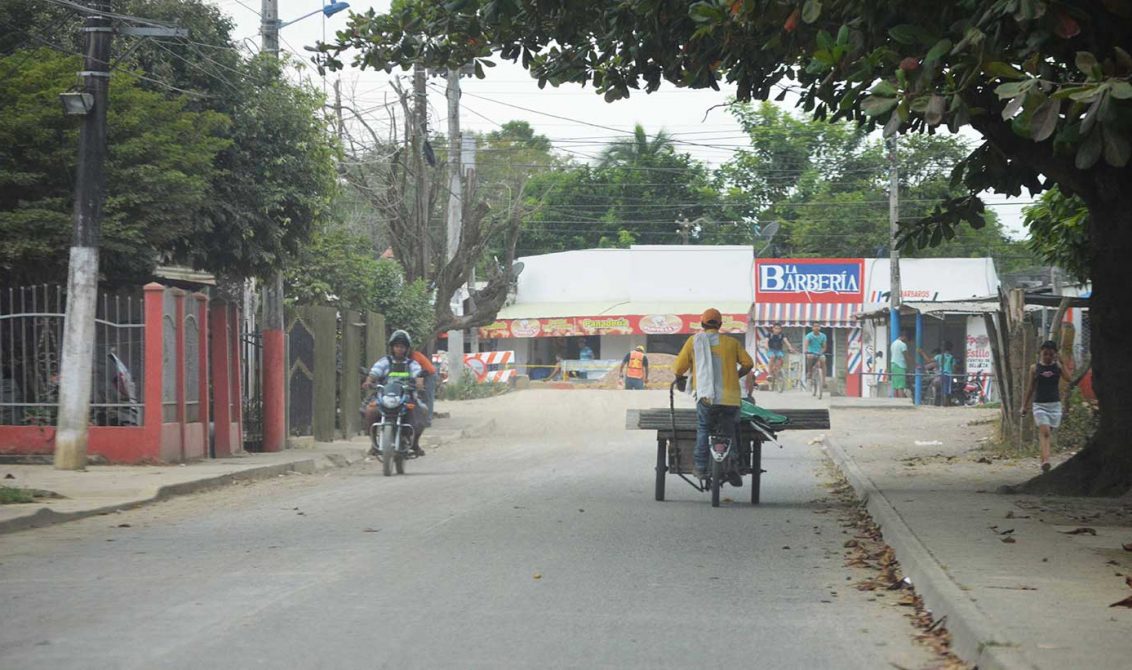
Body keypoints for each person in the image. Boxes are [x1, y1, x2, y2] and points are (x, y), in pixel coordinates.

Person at [673, 308, 754, 482]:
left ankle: (700, 467)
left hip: (706, 397)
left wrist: (679, 378)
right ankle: (734, 464)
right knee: (730, 428)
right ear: (720, 325)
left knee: (703, 428)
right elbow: (748, 363)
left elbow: (679, 367)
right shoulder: (731, 343)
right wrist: (736, 375)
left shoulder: (694, 341)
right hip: (730, 399)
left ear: (702, 324)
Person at [363, 330, 426, 456]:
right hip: (385, 398)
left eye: (402, 347)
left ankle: (415, 443)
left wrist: (419, 383)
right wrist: (369, 381)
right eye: (397, 346)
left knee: (422, 411)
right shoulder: (385, 362)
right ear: (392, 348)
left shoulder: (412, 364)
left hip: (406, 398)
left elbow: (418, 374)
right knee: (370, 411)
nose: (399, 349)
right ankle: (374, 444)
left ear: (406, 349)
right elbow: (374, 372)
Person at [1021, 340, 1071, 473]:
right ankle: (1047, 460)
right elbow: (1030, 388)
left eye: (1051, 354)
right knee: (1046, 432)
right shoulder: (1035, 368)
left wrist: (1062, 362)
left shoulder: (1058, 367)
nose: (1048, 357)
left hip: (1054, 405)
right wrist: (1024, 406)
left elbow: (1069, 378)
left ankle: (1043, 462)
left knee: (1046, 434)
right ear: (1040, 354)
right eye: (1045, 354)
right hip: (1039, 405)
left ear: (1055, 355)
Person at [411, 347, 437, 427]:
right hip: (422, 375)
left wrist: (419, 387)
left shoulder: (414, 357)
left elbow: (418, 373)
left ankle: (428, 420)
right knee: (420, 397)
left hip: (429, 375)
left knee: (428, 397)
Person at [933, 341, 956, 406]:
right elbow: (954, 368)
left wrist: (922, 352)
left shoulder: (938, 356)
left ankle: (938, 403)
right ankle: (945, 404)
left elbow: (929, 360)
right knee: (946, 391)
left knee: (938, 389)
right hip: (948, 375)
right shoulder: (952, 357)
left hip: (939, 375)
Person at [890, 330, 911, 398]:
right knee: (900, 386)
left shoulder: (893, 343)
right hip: (900, 366)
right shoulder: (903, 344)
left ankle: (896, 402)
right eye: (907, 339)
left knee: (896, 386)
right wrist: (915, 363)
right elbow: (906, 356)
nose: (907, 341)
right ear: (904, 337)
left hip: (893, 365)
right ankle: (902, 403)